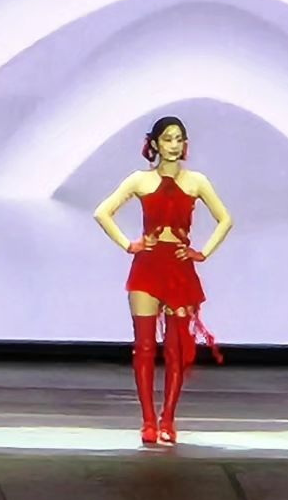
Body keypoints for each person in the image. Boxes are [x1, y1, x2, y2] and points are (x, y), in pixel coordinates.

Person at [93, 116, 233, 445]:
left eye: (178, 138)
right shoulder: (140, 180)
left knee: (175, 349)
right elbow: (102, 212)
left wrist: (202, 253)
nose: (173, 145)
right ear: (155, 143)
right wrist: (130, 244)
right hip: (147, 267)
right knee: (144, 347)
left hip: (179, 269)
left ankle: (168, 419)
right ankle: (147, 422)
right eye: (167, 139)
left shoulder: (196, 181)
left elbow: (225, 219)